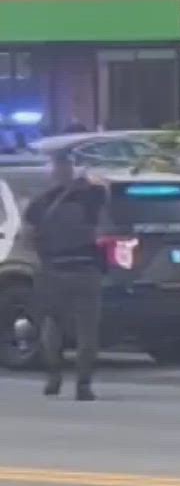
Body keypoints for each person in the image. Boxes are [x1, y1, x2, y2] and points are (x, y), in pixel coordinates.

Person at [22, 154, 106, 400]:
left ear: (52, 173)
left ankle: (54, 376)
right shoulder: (90, 197)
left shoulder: (40, 204)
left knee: (52, 325)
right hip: (86, 270)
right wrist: (85, 178)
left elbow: (26, 238)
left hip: (53, 270)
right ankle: (83, 384)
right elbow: (104, 186)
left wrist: (43, 254)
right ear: (71, 169)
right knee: (87, 329)